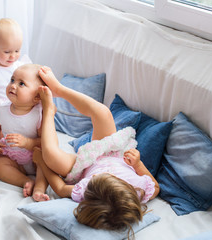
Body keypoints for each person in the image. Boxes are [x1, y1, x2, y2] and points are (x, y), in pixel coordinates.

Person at [33, 66, 160, 233]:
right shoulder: (140, 191)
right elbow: (156, 187)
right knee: (102, 112)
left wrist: (41, 160)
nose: (106, 174)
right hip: (112, 152)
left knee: (50, 155)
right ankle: (59, 90)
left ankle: (49, 111)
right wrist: (137, 165)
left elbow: (61, 189)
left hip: (84, 165)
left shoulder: (89, 191)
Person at [0, 63, 49, 202]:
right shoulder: (2, 108)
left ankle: (39, 188)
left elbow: (46, 141)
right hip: (13, 158)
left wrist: (28, 142)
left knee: (46, 162)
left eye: (21, 84)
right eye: (12, 80)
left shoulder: (40, 115)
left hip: (35, 158)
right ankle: (25, 181)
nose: (13, 85)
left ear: (37, 97)